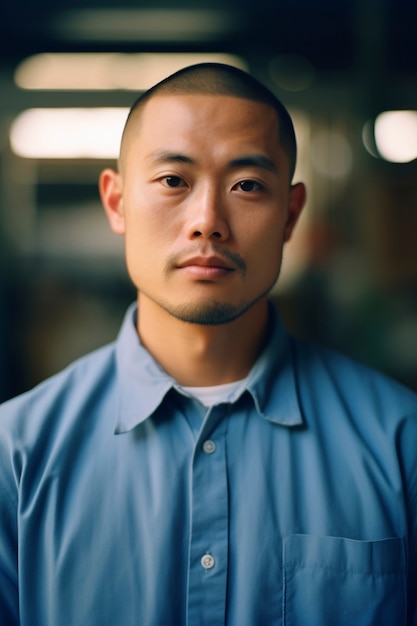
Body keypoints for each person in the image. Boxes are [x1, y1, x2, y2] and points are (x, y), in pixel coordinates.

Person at [0, 62, 416, 626]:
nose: (207, 222)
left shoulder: (399, 443)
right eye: (174, 180)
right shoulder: (16, 456)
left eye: (247, 185)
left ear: (291, 215)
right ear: (117, 203)